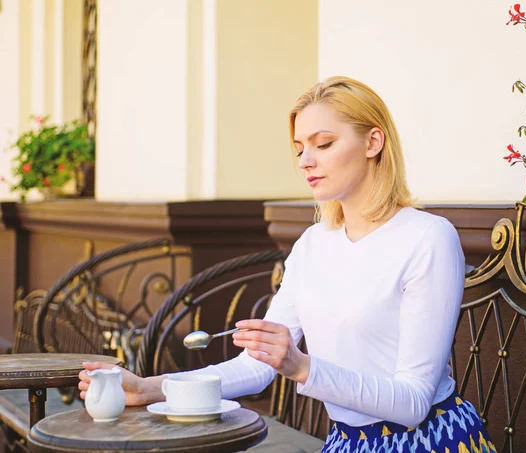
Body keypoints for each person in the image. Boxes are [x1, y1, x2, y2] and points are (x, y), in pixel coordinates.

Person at [79, 76, 496, 453]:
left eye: (323, 144)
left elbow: (412, 402)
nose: (305, 161)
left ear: (373, 143)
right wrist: (148, 389)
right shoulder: (313, 244)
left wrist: (301, 366)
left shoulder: (427, 237)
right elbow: (255, 367)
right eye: (299, 148)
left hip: (428, 441)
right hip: (345, 442)